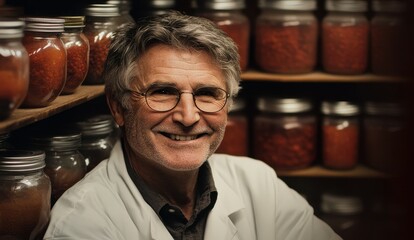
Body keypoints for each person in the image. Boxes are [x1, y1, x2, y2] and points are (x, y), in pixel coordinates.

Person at [43, 11, 341, 240]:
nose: (188, 117)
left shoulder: (260, 185)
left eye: (208, 94)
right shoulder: (82, 223)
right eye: (162, 92)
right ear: (118, 108)